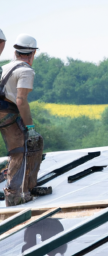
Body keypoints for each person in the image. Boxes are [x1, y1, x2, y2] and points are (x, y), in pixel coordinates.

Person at [0, 34, 43, 206]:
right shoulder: (26, 71)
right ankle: (15, 194)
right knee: (21, 150)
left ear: (16, 51)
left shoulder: (4, 67)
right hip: (7, 114)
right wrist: (30, 127)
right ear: (32, 53)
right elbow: (21, 101)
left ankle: (23, 189)